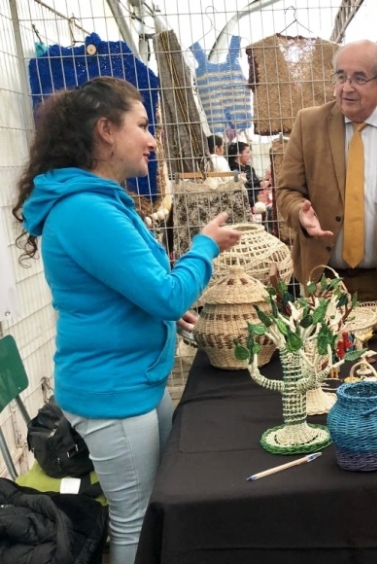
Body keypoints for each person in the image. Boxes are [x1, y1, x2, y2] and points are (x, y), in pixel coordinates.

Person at [11, 76, 241, 564]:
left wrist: (169, 318)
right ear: (106, 131)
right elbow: (164, 292)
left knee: (153, 505)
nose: (152, 138)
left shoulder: (101, 203)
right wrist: (204, 246)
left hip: (133, 382)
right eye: (142, 125)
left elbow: (128, 291)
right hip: (113, 394)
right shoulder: (87, 212)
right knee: (134, 519)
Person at [276, 39, 377, 305]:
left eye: (358, 78)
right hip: (322, 283)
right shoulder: (309, 124)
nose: (346, 88)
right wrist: (299, 212)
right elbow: (287, 191)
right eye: (341, 76)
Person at [228, 141, 269, 209]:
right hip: (247, 203)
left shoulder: (249, 168)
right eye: (247, 152)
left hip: (258, 200)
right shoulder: (233, 170)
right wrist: (259, 184)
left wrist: (262, 183)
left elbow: (255, 182)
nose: (249, 155)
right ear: (238, 154)